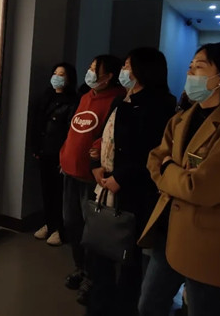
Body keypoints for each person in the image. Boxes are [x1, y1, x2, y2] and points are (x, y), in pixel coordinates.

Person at [138, 43, 220, 316]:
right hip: (169, 232)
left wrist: (169, 169)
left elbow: (202, 189)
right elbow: (154, 160)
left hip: (207, 240)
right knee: (149, 305)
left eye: (200, 67)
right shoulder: (181, 119)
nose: (190, 72)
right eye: (190, 66)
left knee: (203, 308)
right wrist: (176, 174)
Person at [86, 47, 176, 316]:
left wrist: (121, 177)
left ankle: (124, 307)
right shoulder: (121, 100)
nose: (124, 71)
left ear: (142, 70)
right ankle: (100, 304)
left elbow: (151, 151)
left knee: (129, 256)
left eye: (128, 65)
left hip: (134, 191)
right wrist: (95, 165)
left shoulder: (160, 105)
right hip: (106, 183)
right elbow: (106, 138)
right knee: (101, 249)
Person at [59, 55, 125, 304]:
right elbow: (75, 130)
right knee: (72, 224)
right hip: (70, 171)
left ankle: (93, 277)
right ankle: (80, 268)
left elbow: (106, 135)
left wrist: (94, 158)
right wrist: (65, 154)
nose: (90, 72)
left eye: (94, 69)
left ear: (108, 76)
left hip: (91, 176)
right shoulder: (86, 96)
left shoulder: (117, 99)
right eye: (89, 68)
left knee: (93, 231)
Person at [31, 63, 80, 246]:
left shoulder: (73, 101)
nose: (57, 77)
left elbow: (70, 131)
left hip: (59, 153)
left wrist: (65, 155)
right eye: (55, 73)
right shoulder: (46, 97)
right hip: (44, 151)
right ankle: (49, 224)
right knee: (46, 191)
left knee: (59, 192)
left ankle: (59, 229)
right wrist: (36, 148)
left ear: (69, 78)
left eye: (62, 74)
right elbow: (37, 125)